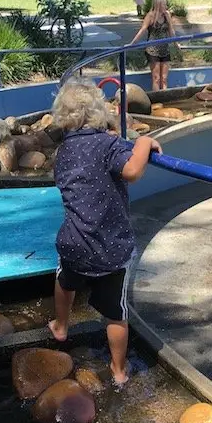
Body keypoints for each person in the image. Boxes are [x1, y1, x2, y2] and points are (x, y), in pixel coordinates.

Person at [47, 78, 162, 385]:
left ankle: (60, 326)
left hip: (74, 243)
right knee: (116, 313)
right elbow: (133, 171)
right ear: (99, 111)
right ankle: (119, 370)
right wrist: (142, 144)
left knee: (64, 278)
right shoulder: (109, 146)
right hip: (111, 249)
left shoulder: (63, 152)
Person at [130, 0, 177, 91]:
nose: (166, 6)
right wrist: (132, 43)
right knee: (156, 78)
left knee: (164, 78)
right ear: (158, 5)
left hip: (165, 49)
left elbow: (171, 31)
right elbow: (142, 30)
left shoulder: (166, 15)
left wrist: (176, 44)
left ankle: (165, 98)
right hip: (153, 50)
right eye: (164, 4)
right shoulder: (150, 16)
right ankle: (156, 100)